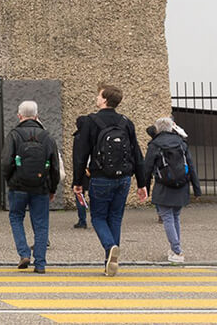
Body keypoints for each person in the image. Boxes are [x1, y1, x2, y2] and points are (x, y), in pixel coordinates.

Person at [72, 84, 147, 276]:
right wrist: (142, 183)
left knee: (98, 217)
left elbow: (80, 155)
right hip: (124, 178)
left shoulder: (90, 121)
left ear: (105, 99)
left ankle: (110, 246)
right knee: (115, 217)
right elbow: (137, 154)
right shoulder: (126, 122)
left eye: (99, 95)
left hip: (100, 177)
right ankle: (110, 262)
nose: (96, 98)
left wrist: (77, 182)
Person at [1, 100, 60, 273]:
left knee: (16, 218)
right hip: (41, 187)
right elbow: (55, 166)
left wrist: (9, 180)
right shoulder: (47, 136)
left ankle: (24, 253)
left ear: (19, 116)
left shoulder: (14, 135)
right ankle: (40, 263)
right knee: (41, 224)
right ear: (36, 116)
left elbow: (6, 162)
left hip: (18, 186)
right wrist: (52, 188)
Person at [144, 117, 202, 263]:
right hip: (181, 185)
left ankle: (177, 251)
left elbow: (147, 169)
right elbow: (191, 166)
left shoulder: (155, 144)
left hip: (163, 186)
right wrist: (197, 189)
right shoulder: (181, 143)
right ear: (171, 128)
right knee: (175, 216)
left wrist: (144, 188)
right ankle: (175, 248)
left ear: (157, 129)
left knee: (167, 217)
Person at [73, 115, 91, 229]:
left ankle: (82, 220)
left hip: (81, 170)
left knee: (79, 194)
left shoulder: (78, 137)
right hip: (92, 169)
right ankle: (97, 218)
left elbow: (78, 157)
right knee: (94, 195)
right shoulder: (92, 136)